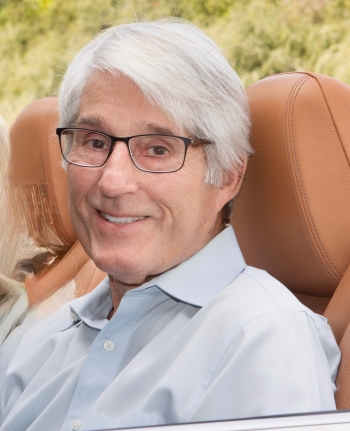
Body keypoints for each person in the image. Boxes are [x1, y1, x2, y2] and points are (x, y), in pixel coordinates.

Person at [0, 19, 340, 431]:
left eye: (158, 149)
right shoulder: (38, 342)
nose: (113, 181)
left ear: (227, 176)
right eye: (94, 142)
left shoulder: (264, 339)